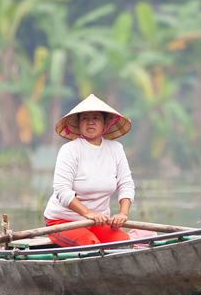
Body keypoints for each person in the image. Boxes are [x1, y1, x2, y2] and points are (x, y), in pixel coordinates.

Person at [43, 94, 135, 248]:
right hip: (63, 221)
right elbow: (61, 190)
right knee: (91, 245)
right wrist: (88, 213)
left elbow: (125, 183)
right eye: (84, 118)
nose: (90, 121)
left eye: (96, 117)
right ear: (79, 124)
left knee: (124, 242)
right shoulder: (70, 150)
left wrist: (122, 214)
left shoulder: (116, 149)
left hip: (97, 222)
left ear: (105, 122)